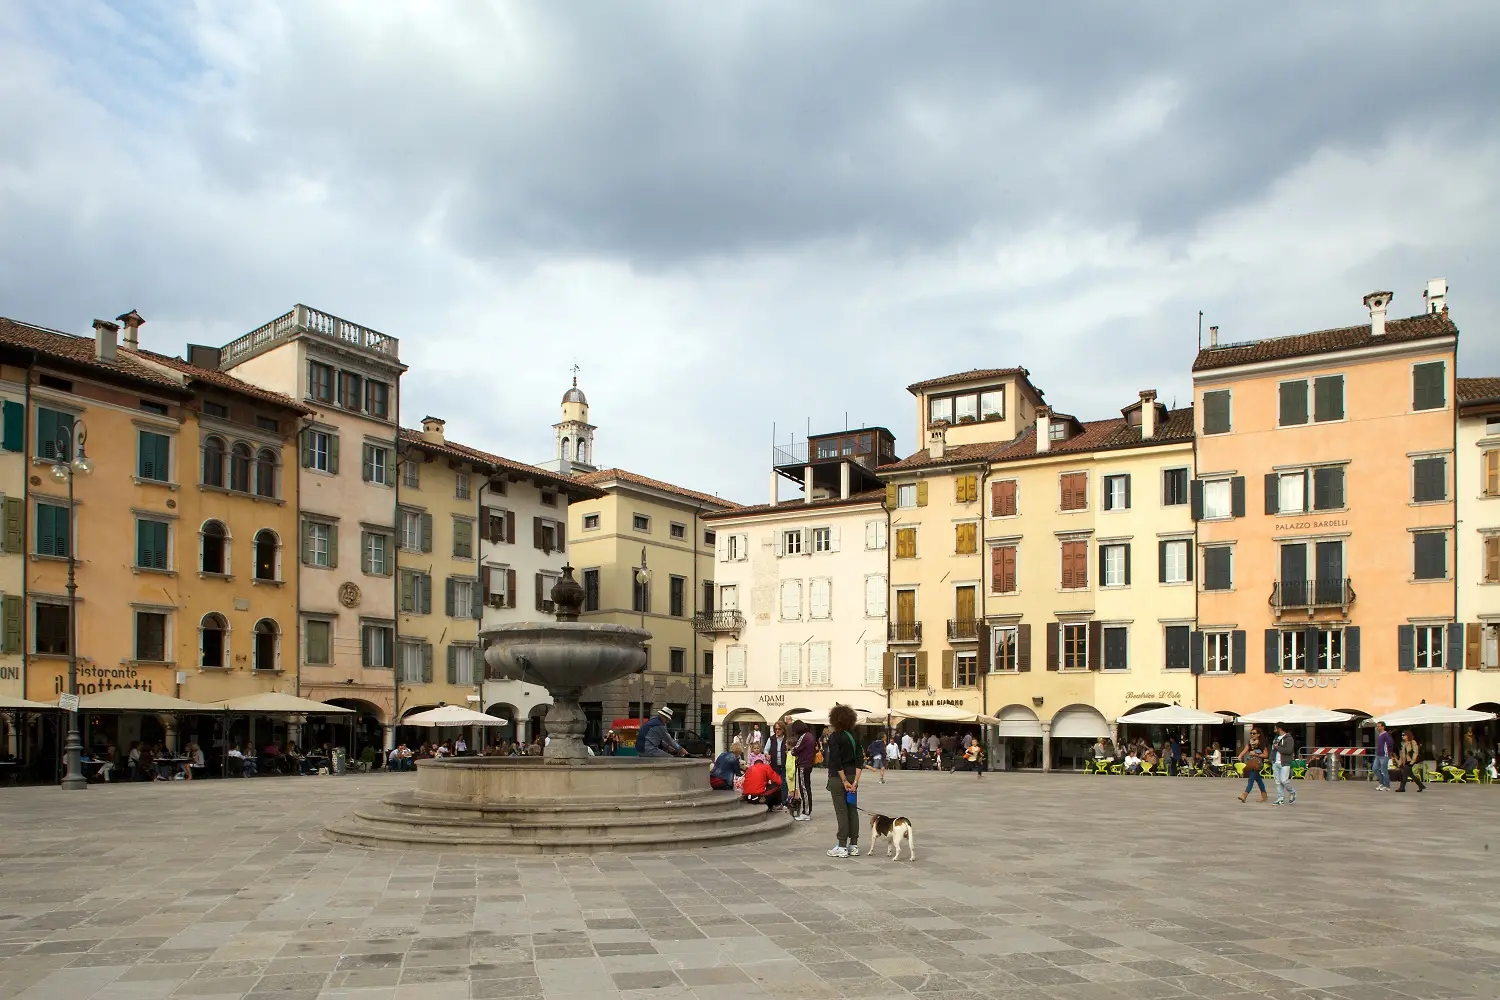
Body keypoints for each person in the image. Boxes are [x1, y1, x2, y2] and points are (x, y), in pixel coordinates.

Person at [824, 705, 863, 858]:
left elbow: (835, 760)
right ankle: (853, 845)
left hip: (837, 777)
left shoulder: (835, 737)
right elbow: (860, 759)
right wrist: (854, 781)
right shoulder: (855, 735)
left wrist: (844, 780)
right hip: (853, 775)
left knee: (841, 811)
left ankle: (841, 846)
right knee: (852, 810)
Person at [790, 722, 817, 821]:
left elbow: (795, 750)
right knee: (807, 787)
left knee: (804, 788)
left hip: (803, 765)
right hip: (808, 764)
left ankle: (806, 812)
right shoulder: (810, 736)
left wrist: (792, 750)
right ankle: (807, 810)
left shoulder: (804, 736)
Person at [1270, 724, 1296, 806]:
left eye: (1275, 728)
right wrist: (1271, 759)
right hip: (1275, 762)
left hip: (1285, 762)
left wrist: (1277, 747)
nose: (1274, 729)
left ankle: (1292, 792)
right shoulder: (1276, 738)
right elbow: (1273, 749)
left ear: (1279, 728)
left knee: (1284, 780)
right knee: (1278, 782)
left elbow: (1288, 750)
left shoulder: (1289, 738)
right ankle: (1280, 798)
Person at [1238, 729, 1266, 803]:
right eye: (1251, 733)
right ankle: (1264, 795)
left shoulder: (1261, 743)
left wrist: (1256, 754)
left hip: (1258, 764)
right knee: (1258, 780)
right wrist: (1240, 756)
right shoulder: (1250, 743)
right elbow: (1245, 750)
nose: (1252, 735)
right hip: (1251, 763)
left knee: (1251, 779)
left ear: (1258, 734)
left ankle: (1244, 795)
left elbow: (1266, 755)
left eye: (1254, 733)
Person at [1373, 721, 1393, 791]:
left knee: (1384, 770)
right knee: (1375, 768)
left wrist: (1387, 752)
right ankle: (1382, 783)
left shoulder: (1386, 735)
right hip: (1378, 755)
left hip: (1384, 755)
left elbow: (1390, 743)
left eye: (1378, 726)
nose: (1377, 727)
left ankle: (1387, 786)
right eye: (1377, 726)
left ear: (1383, 727)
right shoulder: (1380, 735)